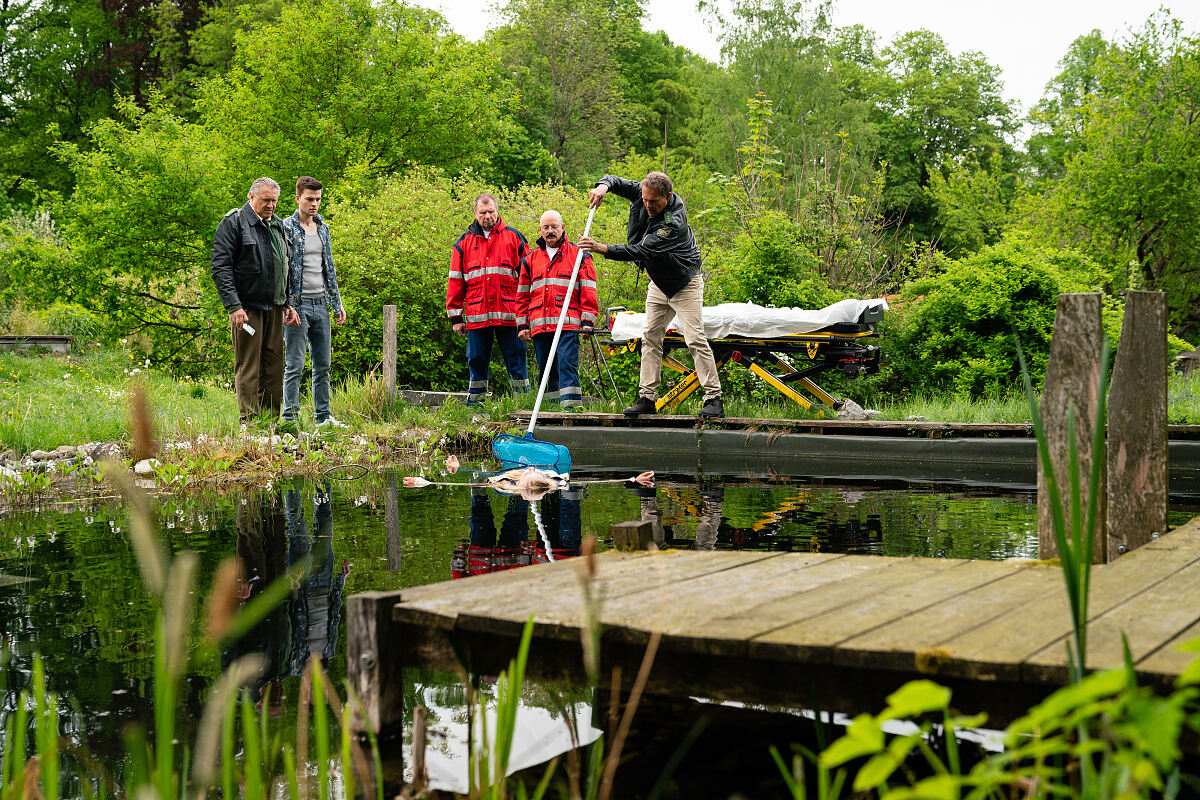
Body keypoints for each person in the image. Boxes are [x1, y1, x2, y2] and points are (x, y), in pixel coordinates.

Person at [578, 171, 724, 418]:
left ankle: (714, 399)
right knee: (650, 337)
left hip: (684, 282)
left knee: (695, 338)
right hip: (658, 282)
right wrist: (602, 187)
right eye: (645, 200)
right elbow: (614, 180)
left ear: (667, 197)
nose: (647, 205)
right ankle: (647, 398)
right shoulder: (643, 191)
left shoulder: (673, 223)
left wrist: (600, 248)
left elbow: (640, 250)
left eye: (653, 202)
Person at [211, 177, 298, 424]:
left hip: (275, 308)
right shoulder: (235, 222)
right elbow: (220, 267)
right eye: (265, 200)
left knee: (273, 366)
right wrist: (234, 306)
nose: (270, 205)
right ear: (251, 197)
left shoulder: (279, 226)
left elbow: (286, 266)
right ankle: (250, 422)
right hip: (247, 310)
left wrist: (289, 303)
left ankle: (269, 422)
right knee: (250, 366)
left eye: (274, 201)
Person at [446, 194, 532, 404]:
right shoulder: (463, 243)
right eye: (483, 212)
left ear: (497, 210)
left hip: (510, 314)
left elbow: (529, 278)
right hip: (477, 315)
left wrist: (528, 314)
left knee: (516, 357)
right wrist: (456, 317)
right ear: (475, 214)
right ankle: (475, 404)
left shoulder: (514, 237)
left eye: (491, 211)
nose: (487, 216)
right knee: (476, 359)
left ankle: (524, 403)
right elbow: (456, 281)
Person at [281, 176, 348, 430]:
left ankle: (323, 418)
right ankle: (290, 419)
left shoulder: (323, 228)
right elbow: (282, 270)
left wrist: (336, 301)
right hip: (296, 307)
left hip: (321, 303)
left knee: (323, 365)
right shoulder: (285, 228)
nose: (315, 204)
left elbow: (328, 266)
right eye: (310, 199)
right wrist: (287, 305)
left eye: (318, 199)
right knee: (295, 365)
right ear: (298, 198)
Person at [516, 210, 598, 409]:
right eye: (546, 227)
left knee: (566, 365)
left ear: (563, 228)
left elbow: (588, 290)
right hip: (540, 325)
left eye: (554, 227)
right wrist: (522, 324)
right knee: (546, 369)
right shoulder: (530, 259)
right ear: (540, 230)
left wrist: (587, 322)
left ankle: (571, 410)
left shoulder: (579, 256)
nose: (550, 231)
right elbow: (522, 295)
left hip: (568, 325)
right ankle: (550, 411)